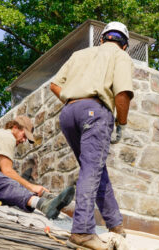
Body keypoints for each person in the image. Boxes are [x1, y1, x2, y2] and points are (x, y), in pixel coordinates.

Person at [50, 21, 134, 250]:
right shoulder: (121, 56)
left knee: (94, 167)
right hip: (94, 112)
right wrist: (122, 124)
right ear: (124, 45)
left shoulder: (80, 54)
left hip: (68, 114)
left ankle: (114, 222)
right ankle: (83, 232)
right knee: (91, 169)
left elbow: (55, 85)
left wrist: (73, 99)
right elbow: (123, 93)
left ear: (102, 39)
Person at [0, 115, 75, 220]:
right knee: (6, 183)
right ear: (15, 127)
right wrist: (32, 186)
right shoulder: (7, 136)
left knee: (5, 194)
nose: (24, 140)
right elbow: (7, 172)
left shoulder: (0, 137)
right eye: (24, 135)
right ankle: (43, 205)